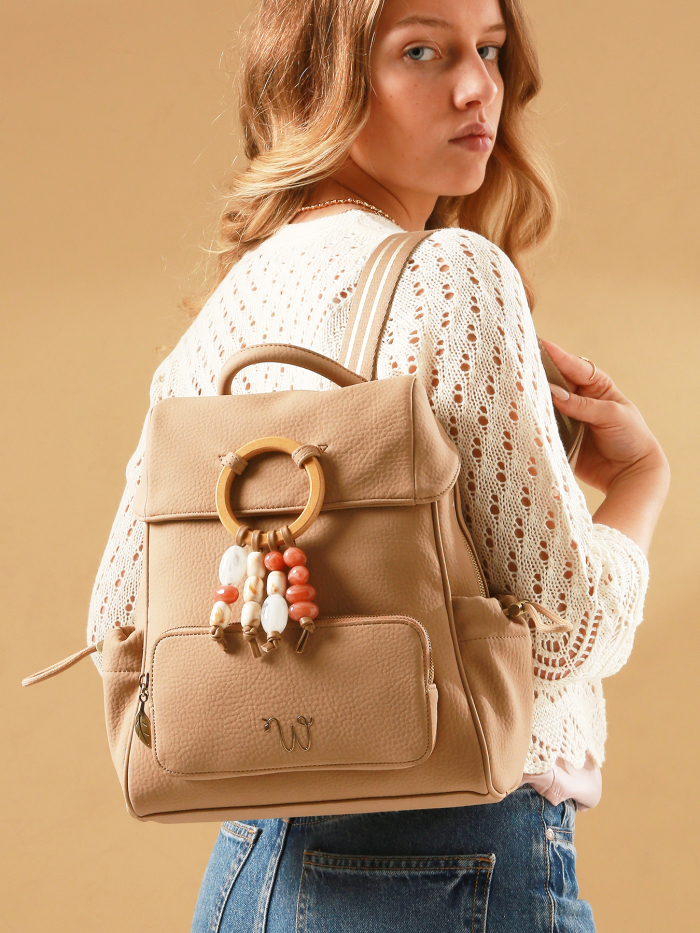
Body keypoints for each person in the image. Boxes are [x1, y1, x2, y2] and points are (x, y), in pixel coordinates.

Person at [86, 0, 670, 929]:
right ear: (327, 77)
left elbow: (116, 620)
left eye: (489, 50)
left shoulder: (229, 308)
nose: (478, 87)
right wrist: (639, 484)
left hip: (246, 871)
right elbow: (559, 636)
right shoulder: (456, 272)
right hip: (454, 869)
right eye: (423, 50)